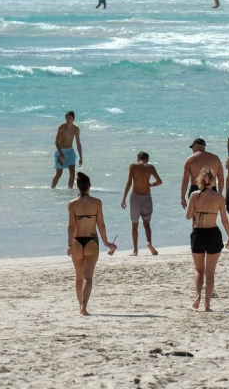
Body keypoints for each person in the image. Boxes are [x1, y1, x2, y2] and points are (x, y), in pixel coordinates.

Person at [67, 172, 116, 315]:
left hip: (77, 241)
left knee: (79, 276)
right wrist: (106, 242)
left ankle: (79, 306)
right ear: (89, 187)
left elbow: (70, 226)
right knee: (88, 277)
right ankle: (84, 307)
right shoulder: (97, 202)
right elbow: (101, 224)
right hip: (91, 241)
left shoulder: (71, 204)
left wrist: (69, 245)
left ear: (77, 186)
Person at [186, 167, 229, 311]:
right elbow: (224, 220)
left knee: (199, 270)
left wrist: (198, 210)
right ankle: (207, 304)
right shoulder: (218, 197)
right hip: (213, 234)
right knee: (210, 272)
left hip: (198, 233)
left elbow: (188, 216)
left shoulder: (194, 195)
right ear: (213, 181)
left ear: (201, 180)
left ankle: (197, 296)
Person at [120, 152, 162, 255]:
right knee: (147, 224)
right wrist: (151, 184)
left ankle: (135, 250)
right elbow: (159, 181)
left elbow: (129, 182)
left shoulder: (133, 166)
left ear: (138, 158)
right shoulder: (150, 167)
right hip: (147, 197)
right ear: (147, 159)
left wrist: (124, 198)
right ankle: (149, 242)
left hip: (135, 198)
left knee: (135, 224)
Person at [180, 138, 224, 208]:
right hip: (212, 189)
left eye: (192, 148)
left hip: (195, 190)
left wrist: (182, 197)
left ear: (196, 146)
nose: (192, 150)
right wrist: (219, 193)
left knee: (195, 216)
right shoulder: (215, 158)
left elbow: (185, 180)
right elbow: (221, 179)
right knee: (210, 215)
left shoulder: (190, 160)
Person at [51, 111, 83, 190]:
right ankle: (52, 189)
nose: (68, 119)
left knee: (72, 172)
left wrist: (81, 157)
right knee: (59, 174)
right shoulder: (62, 127)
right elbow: (56, 142)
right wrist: (61, 154)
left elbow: (78, 144)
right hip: (60, 151)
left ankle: (70, 190)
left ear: (73, 119)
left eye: (70, 118)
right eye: (66, 118)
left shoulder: (76, 129)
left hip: (70, 152)